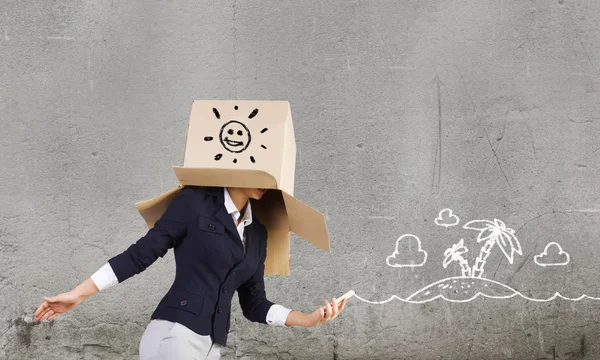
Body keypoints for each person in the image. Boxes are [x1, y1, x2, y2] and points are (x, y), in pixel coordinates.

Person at [35, 185, 346, 359]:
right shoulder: (194, 202)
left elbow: (254, 304)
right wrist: (78, 294)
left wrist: (309, 319)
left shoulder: (259, 233)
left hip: (213, 346)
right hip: (176, 333)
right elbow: (140, 254)